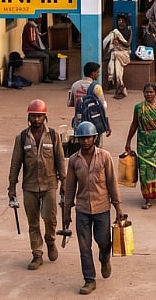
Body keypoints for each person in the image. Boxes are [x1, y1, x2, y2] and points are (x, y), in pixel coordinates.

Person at [61, 122, 124, 295]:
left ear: (95, 138)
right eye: (82, 138)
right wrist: (67, 212)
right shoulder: (74, 160)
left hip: (102, 208)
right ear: (78, 139)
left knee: (104, 241)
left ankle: (104, 258)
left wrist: (118, 207)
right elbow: (70, 188)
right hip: (82, 209)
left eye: (88, 138)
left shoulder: (105, 157)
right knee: (84, 247)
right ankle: (89, 279)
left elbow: (112, 183)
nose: (85, 141)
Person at [8, 99, 65, 270]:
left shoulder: (53, 135)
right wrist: (12, 186)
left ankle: (50, 241)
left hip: (49, 185)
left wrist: (64, 182)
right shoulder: (22, 138)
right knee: (33, 223)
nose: (36, 119)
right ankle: (37, 254)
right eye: (33, 116)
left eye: (39, 116)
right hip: (30, 186)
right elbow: (15, 163)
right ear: (29, 117)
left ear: (45, 116)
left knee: (50, 218)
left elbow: (60, 160)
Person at [124, 83, 156, 209]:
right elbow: (134, 124)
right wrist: (128, 141)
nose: (149, 94)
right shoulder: (138, 108)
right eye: (146, 92)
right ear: (143, 93)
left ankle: (155, 190)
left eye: (151, 92)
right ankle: (147, 198)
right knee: (144, 170)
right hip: (143, 143)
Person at [70, 62, 112, 142]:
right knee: (96, 144)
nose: (98, 74)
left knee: (81, 143)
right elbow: (102, 107)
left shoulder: (75, 85)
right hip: (94, 121)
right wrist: (107, 125)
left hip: (79, 120)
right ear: (93, 74)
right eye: (97, 72)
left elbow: (71, 103)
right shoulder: (97, 87)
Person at [103, 15, 133, 95]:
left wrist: (119, 40)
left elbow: (128, 44)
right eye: (119, 20)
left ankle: (112, 79)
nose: (120, 22)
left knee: (114, 55)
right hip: (115, 54)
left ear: (125, 22)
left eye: (122, 20)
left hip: (124, 54)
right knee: (116, 60)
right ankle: (120, 84)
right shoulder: (114, 32)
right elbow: (107, 42)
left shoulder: (129, 31)